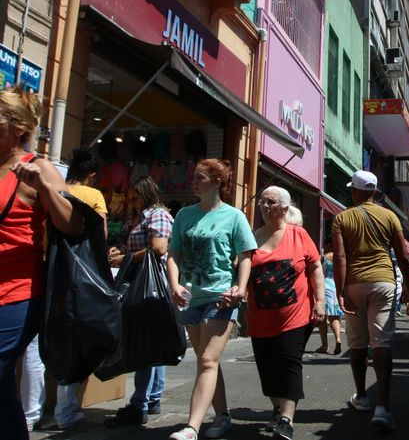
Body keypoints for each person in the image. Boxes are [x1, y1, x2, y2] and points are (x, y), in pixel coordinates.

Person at [0, 87, 82, 440]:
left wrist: (44, 189)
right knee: (3, 386)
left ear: (17, 127)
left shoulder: (39, 166)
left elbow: (73, 223)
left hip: (18, 294)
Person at [166, 159, 257, 440]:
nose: (193, 181)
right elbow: (173, 253)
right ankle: (222, 415)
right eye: (194, 176)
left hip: (221, 297)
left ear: (217, 182)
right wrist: (174, 284)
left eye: (200, 177)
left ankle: (192, 426)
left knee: (206, 360)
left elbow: (246, 255)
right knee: (209, 362)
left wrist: (240, 288)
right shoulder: (184, 215)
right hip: (191, 298)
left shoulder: (233, 216)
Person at [29, 147, 108, 430]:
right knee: (78, 338)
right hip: (80, 277)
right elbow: (101, 236)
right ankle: (67, 410)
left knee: (43, 338)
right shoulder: (93, 196)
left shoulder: (54, 188)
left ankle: (33, 409)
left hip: (48, 268)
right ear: (92, 175)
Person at [332, 170, 409, 431]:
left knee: (357, 343)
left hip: (354, 283)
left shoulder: (342, 217)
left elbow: (341, 257)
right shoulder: (389, 216)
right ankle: (383, 407)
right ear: (374, 192)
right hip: (384, 283)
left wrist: (340, 290)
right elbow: (402, 255)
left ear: (355, 191)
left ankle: (362, 396)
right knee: (382, 342)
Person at [248, 186, 325, 440]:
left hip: (295, 316)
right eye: (262, 202)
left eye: (269, 202)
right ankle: (277, 407)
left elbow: (315, 269)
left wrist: (321, 301)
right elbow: (242, 271)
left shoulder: (298, 234)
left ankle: (286, 419)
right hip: (260, 318)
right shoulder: (252, 237)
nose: (263, 206)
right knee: (267, 368)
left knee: (289, 364)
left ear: (284, 208)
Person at [105, 176, 174, 427]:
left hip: (151, 286)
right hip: (141, 284)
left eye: (135, 196)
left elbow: (158, 249)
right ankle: (152, 398)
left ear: (146, 193)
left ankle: (139, 405)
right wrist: (119, 251)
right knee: (152, 343)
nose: (131, 200)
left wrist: (125, 257)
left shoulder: (157, 215)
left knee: (144, 343)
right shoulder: (140, 218)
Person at [315, 239, 343, 355]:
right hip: (336, 287)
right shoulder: (339, 257)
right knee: (335, 316)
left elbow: (318, 273)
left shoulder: (324, 258)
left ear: (328, 245)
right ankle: (338, 339)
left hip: (325, 287)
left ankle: (325, 345)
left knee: (323, 318)